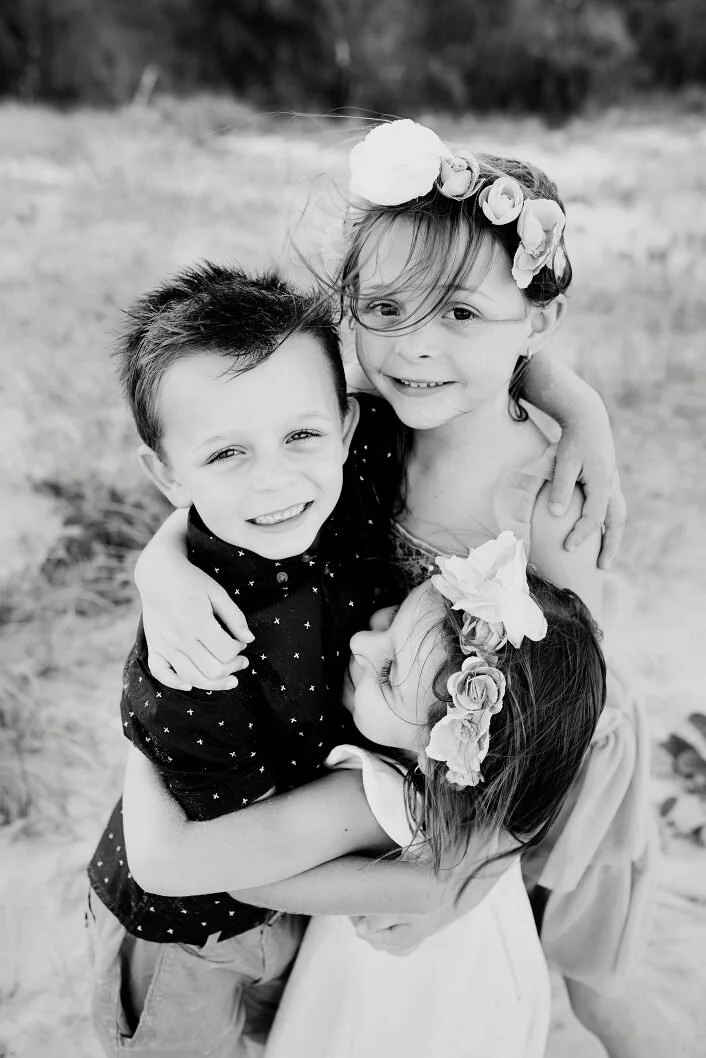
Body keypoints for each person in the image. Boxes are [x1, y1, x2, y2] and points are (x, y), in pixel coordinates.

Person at [132, 120, 661, 1057]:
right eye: (384, 309)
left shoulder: (545, 497)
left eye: (457, 314)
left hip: (539, 774)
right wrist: (160, 563)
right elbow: (249, 470)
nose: (413, 345)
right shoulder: (367, 421)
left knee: (584, 981)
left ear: (536, 322)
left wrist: (470, 877)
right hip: (412, 741)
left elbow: (559, 712)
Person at [86, 263, 407, 1058]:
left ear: (348, 424)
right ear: (166, 474)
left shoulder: (348, 475)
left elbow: (472, 357)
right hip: (189, 939)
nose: (277, 477)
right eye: (226, 453)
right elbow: (231, 860)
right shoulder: (194, 650)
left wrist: (585, 417)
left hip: (297, 908)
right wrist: (423, 879)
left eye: (303, 434)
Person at [123, 534, 607, 1058]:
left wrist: (153, 719)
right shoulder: (471, 815)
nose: (361, 643)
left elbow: (214, 875)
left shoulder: (366, 801)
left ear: (445, 754)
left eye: (389, 672)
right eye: (391, 618)